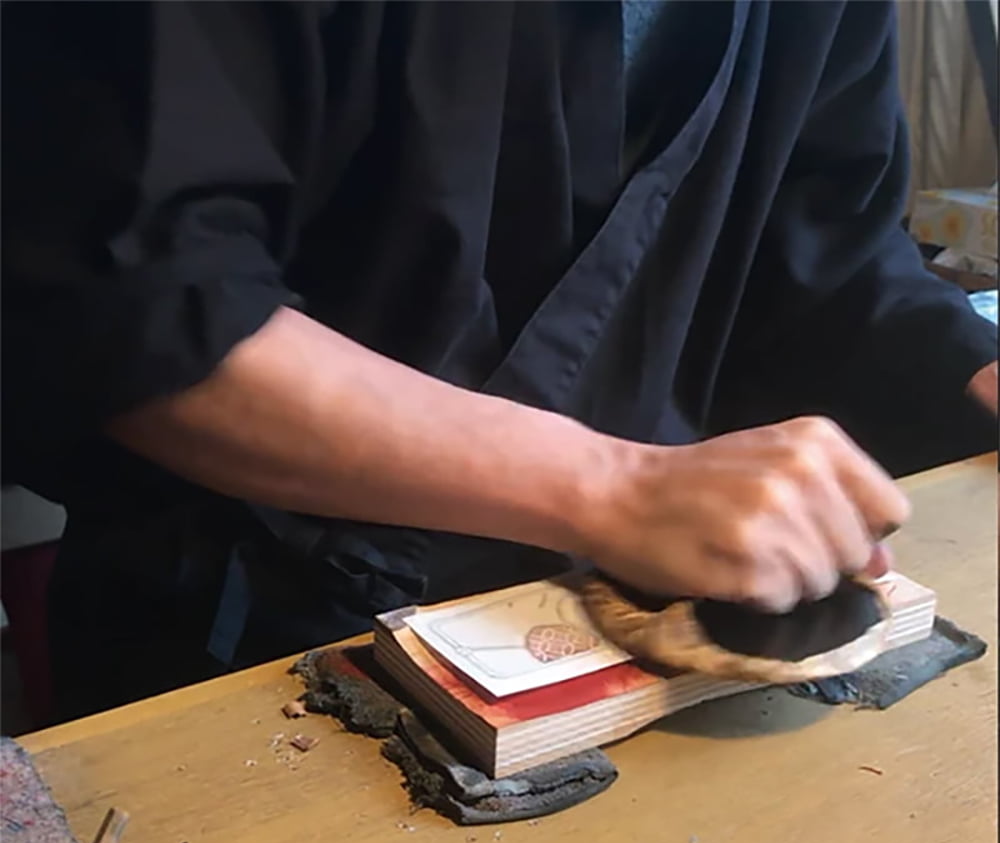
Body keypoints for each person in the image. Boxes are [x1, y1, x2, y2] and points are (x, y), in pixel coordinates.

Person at [3, 0, 996, 723]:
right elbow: (132, 299)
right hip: (254, 633)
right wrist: (615, 487)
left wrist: (973, 368)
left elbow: (827, 258)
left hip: (669, 602)